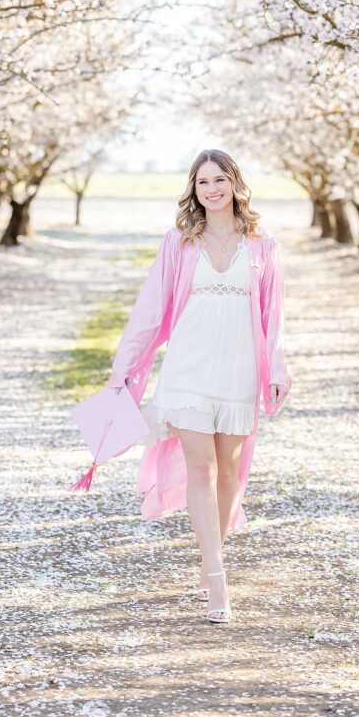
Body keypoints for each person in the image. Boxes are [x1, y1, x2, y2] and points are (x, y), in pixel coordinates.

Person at [107, 149, 292, 624]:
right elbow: (151, 308)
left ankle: (213, 553)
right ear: (194, 189)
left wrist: (277, 368)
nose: (212, 189)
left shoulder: (263, 244)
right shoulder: (179, 242)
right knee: (201, 469)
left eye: (220, 180)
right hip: (189, 366)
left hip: (238, 368)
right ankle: (215, 574)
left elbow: (274, 316)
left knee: (229, 473)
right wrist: (125, 362)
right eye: (203, 182)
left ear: (234, 183)